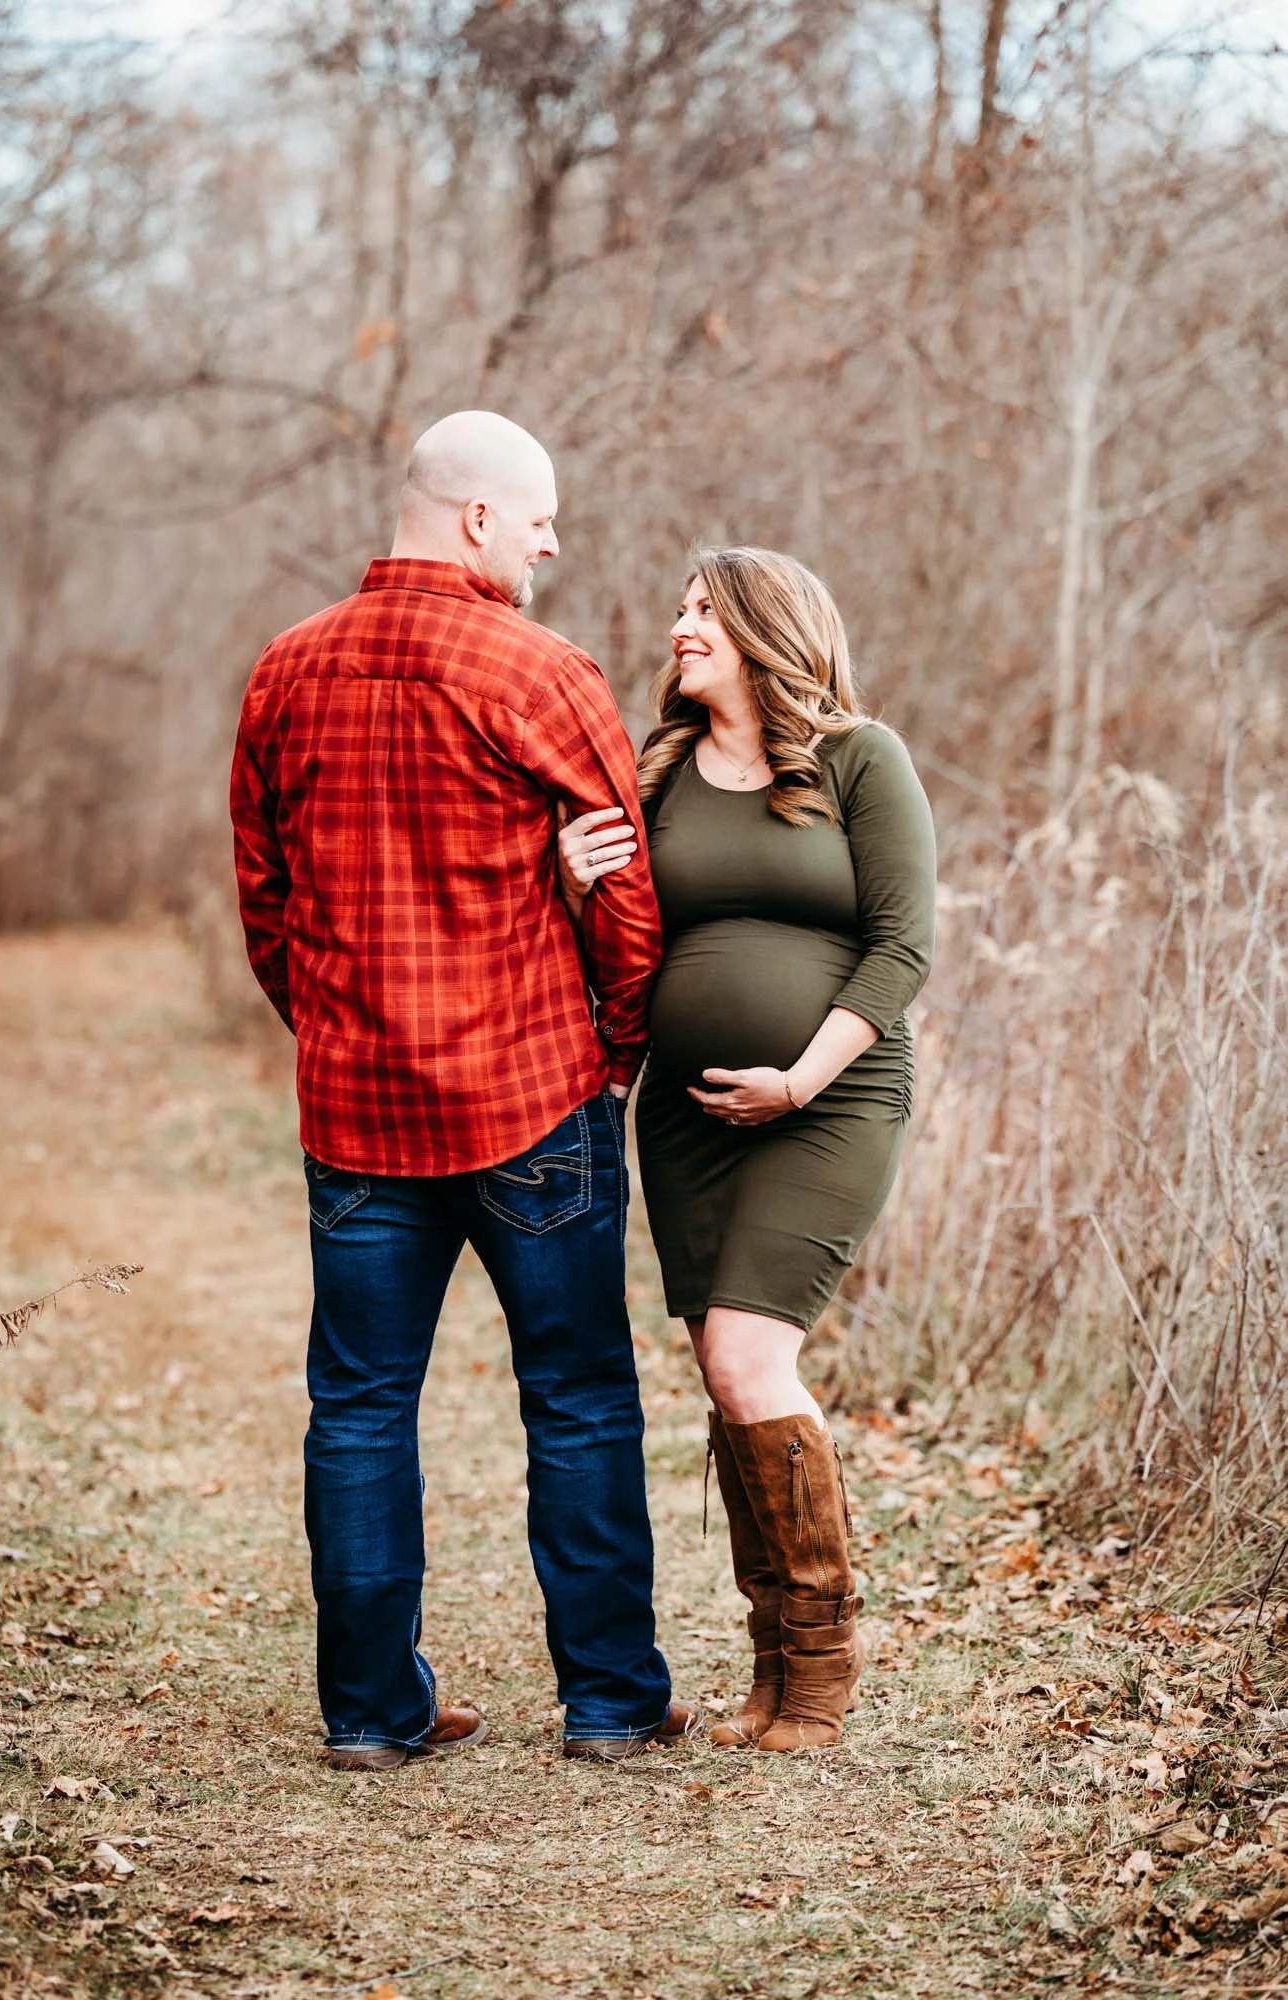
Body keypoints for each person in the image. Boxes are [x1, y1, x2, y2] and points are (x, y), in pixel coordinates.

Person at [230, 410, 699, 1767]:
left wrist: (327, 1025)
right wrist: (607, 1050)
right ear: (479, 520)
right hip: (533, 1100)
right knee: (579, 1398)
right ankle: (610, 1699)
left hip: (360, 1111)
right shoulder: (542, 673)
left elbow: (265, 905)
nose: (553, 540)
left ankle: (370, 1713)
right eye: (540, 516)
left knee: (361, 1404)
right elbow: (627, 907)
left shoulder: (282, 673)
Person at [558, 545, 936, 1752]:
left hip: (827, 1098)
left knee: (747, 1358)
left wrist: (798, 1077)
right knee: (725, 1381)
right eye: (678, 609)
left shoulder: (856, 759)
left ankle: (819, 1668)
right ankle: (770, 1667)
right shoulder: (655, 770)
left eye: (703, 611)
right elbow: (613, 943)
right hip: (685, 1115)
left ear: (767, 628)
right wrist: (571, 883)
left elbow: (901, 947)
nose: (679, 627)